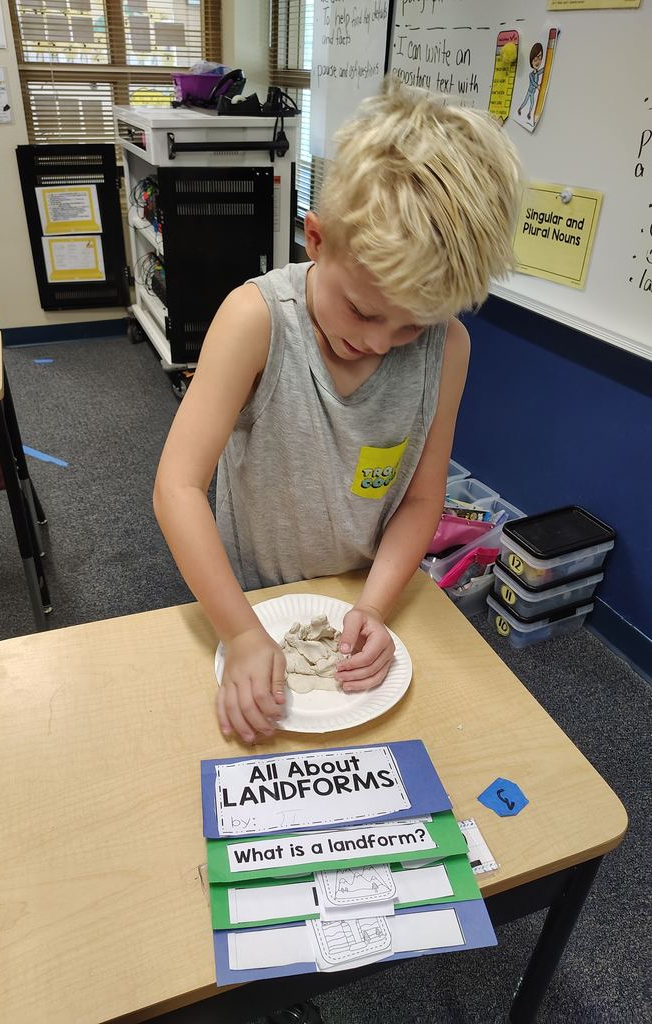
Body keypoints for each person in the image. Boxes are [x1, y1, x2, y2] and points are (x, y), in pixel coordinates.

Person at [154, 75, 522, 744]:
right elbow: (176, 488)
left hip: (362, 593)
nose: (378, 342)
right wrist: (238, 629)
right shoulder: (254, 320)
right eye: (363, 311)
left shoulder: (450, 349)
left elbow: (418, 499)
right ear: (316, 240)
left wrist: (376, 607)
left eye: (412, 327)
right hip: (245, 599)